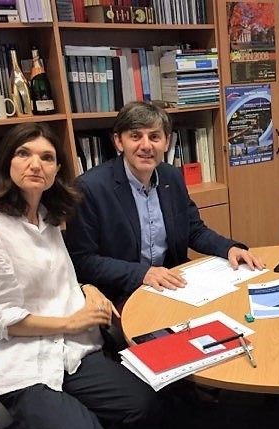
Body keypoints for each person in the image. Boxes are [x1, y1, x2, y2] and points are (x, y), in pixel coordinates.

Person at [0, 123, 162, 429]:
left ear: (56, 170)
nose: (35, 164)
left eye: (47, 157)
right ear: (6, 162)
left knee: (145, 404)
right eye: (23, 154)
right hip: (18, 363)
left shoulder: (47, 218)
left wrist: (87, 288)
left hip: (68, 351)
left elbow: (48, 282)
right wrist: (70, 323)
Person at [65, 101, 264, 306]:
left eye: (154, 137)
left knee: (233, 304)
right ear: (118, 141)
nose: (146, 146)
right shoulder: (90, 188)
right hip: (121, 292)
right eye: (135, 136)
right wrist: (142, 273)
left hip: (171, 283)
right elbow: (82, 260)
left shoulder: (171, 176)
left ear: (166, 142)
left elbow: (193, 230)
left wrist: (229, 248)